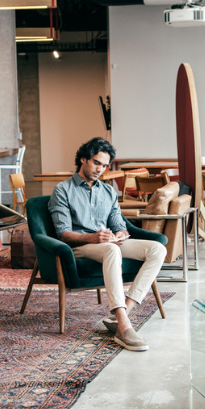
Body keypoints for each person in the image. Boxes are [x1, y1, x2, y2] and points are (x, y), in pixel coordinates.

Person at [49, 137, 167, 352]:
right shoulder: (63, 190)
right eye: (96, 163)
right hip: (80, 246)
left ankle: (123, 314)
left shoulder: (108, 191)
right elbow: (63, 234)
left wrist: (121, 233)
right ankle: (124, 327)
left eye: (104, 165)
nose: (100, 169)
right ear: (83, 159)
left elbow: (119, 224)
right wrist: (93, 237)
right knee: (112, 249)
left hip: (107, 243)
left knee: (157, 249)